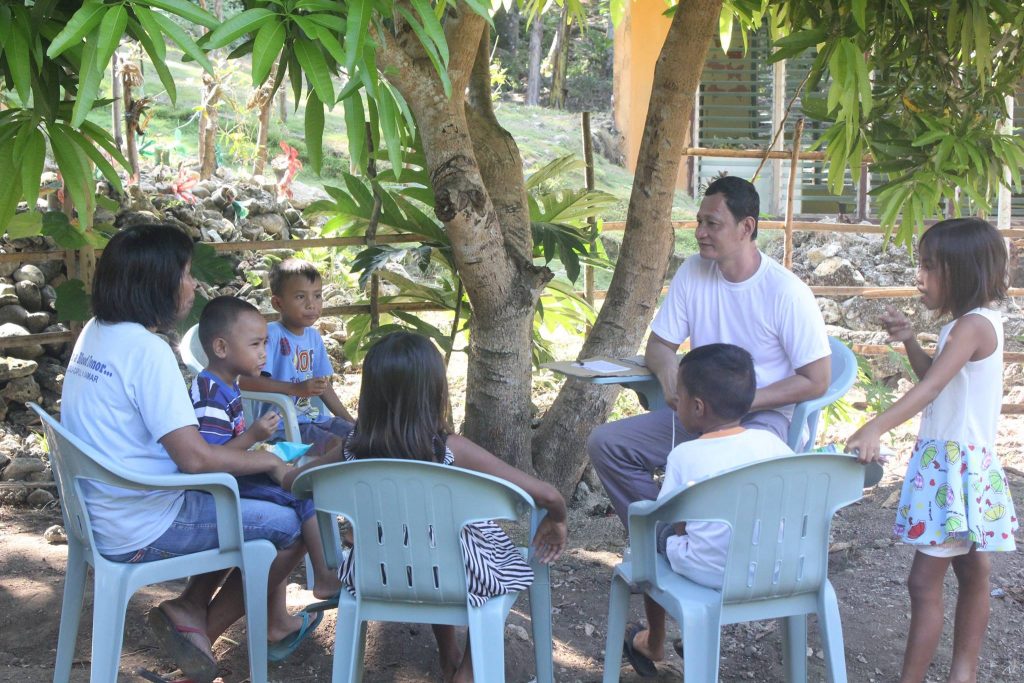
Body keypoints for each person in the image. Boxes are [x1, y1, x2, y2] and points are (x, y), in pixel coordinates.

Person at [60, 224, 315, 683]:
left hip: (99, 510)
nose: (192, 285)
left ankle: (192, 608)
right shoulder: (147, 352)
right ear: (157, 284)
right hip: (142, 522)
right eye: (186, 273)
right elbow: (194, 459)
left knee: (238, 499)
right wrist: (270, 461)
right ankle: (201, 632)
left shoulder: (96, 333)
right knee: (289, 526)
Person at [285, 331, 567, 683]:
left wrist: (278, 467)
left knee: (429, 548)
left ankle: (448, 656)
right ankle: (468, 669)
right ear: (434, 391)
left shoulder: (349, 450)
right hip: (455, 575)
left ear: (371, 394)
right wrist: (556, 521)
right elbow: (549, 496)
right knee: (496, 561)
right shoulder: (452, 450)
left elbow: (296, 482)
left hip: (375, 574)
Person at [589, 175, 831, 526]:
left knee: (725, 472)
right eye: (700, 221)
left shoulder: (786, 292)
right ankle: (663, 542)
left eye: (712, 224)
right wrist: (670, 377)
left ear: (746, 227)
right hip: (699, 411)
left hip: (761, 418)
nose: (700, 232)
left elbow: (817, 380)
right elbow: (659, 346)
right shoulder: (693, 271)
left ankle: (708, 548)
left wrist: (743, 401)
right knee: (607, 444)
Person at [846, 218, 1018, 683]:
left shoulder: (974, 326)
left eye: (928, 267)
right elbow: (936, 380)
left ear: (961, 272)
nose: (918, 278)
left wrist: (874, 425)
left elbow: (930, 390)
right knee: (973, 570)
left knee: (923, 582)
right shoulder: (965, 327)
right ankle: (964, 673)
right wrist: (908, 342)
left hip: (954, 473)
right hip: (957, 470)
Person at [622, 344, 793, 676]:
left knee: (651, 535)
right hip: (779, 570)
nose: (677, 403)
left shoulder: (687, 455)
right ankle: (690, 637)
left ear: (697, 407)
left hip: (710, 572)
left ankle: (654, 640)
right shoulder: (776, 445)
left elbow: (677, 523)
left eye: (680, 396)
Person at [191, 296, 343, 600]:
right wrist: (253, 436)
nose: (264, 353)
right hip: (225, 482)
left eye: (265, 343)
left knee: (304, 471)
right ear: (221, 348)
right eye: (256, 345)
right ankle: (326, 576)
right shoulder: (210, 394)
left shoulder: (226, 383)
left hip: (238, 469)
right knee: (302, 494)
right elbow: (213, 458)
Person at [239, 258, 354, 457]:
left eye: (317, 296)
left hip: (310, 419)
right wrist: (294, 389)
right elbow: (246, 382)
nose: (312, 304)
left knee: (359, 435)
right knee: (336, 446)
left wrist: (349, 420)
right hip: (279, 428)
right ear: (278, 303)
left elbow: (323, 387)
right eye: (301, 297)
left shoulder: (313, 336)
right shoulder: (271, 335)